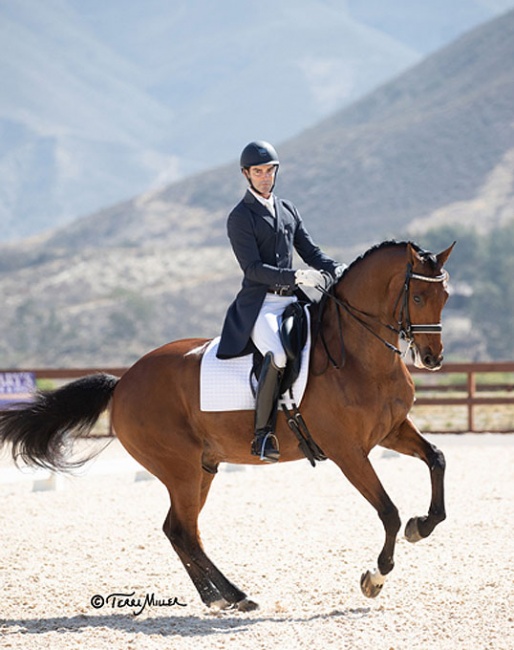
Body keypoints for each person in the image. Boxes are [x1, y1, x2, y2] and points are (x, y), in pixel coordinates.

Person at [217, 140, 344, 462]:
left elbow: (310, 251)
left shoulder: (287, 209)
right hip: (261, 304)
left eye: (269, 170)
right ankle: (262, 435)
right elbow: (253, 269)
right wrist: (297, 277)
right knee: (277, 354)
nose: (264, 176)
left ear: (276, 172)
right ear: (246, 174)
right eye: (257, 171)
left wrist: (338, 268)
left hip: (291, 302)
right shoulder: (240, 216)